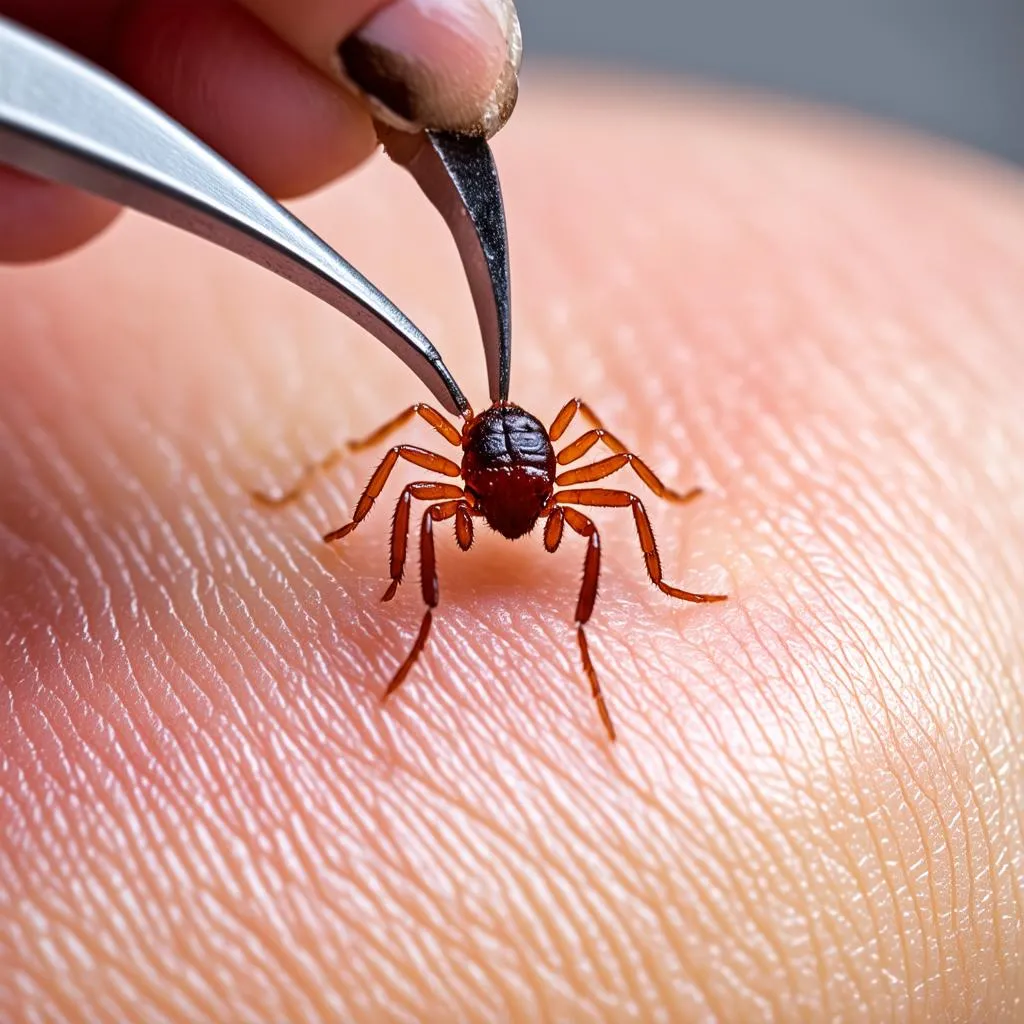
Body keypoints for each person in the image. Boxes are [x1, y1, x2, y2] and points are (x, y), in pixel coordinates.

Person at [2, 2, 1022, 1020]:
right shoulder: (451, 475)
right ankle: (412, 583)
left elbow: (605, 474)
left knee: (588, 488)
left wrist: (655, 550)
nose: (519, 517)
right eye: (508, 497)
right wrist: (405, 586)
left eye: (525, 497)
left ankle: (609, 591)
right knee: (409, 465)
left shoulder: (562, 489)